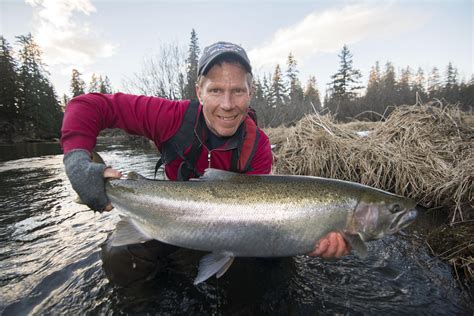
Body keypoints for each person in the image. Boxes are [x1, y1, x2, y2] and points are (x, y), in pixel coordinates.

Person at [61, 41, 350, 286]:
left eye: (237, 91)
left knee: (273, 265)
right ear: (199, 91)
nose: (227, 104)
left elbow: (258, 222)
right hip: (164, 217)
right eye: (215, 91)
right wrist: (78, 163)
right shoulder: (169, 117)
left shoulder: (257, 145)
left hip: (229, 229)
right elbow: (87, 105)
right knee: (119, 257)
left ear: (250, 93)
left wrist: (307, 238)